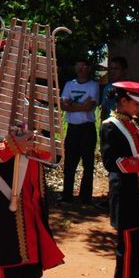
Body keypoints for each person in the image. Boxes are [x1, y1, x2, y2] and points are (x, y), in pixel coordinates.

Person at [0, 91, 65, 278]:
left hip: (34, 197)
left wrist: (39, 144)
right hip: (2, 195)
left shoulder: (35, 102)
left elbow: (55, 154)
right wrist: (8, 147)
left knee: (33, 269)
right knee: (8, 269)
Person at [101, 81, 139, 278]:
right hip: (124, 196)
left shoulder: (135, 123)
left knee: (135, 252)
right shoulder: (109, 127)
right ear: (123, 101)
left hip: (137, 195)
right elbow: (111, 163)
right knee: (127, 253)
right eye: (136, 103)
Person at [60, 58, 100, 204]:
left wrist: (72, 104)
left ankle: (85, 197)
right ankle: (67, 195)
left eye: (83, 67)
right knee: (69, 163)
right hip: (72, 128)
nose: (80, 69)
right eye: (78, 66)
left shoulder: (93, 86)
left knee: (88, 164)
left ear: (88, 68)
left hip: (87, 128)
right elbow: (63, 105)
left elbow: (89, 106)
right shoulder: (69, 84)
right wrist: (80, 105)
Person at [100, 57, 128, 121]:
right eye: (112, 69)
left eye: (116, 69)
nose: (113, 72)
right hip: (110, 124)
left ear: (124, 70)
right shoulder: (107, 88)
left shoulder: (131, 88)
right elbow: (104, 109)